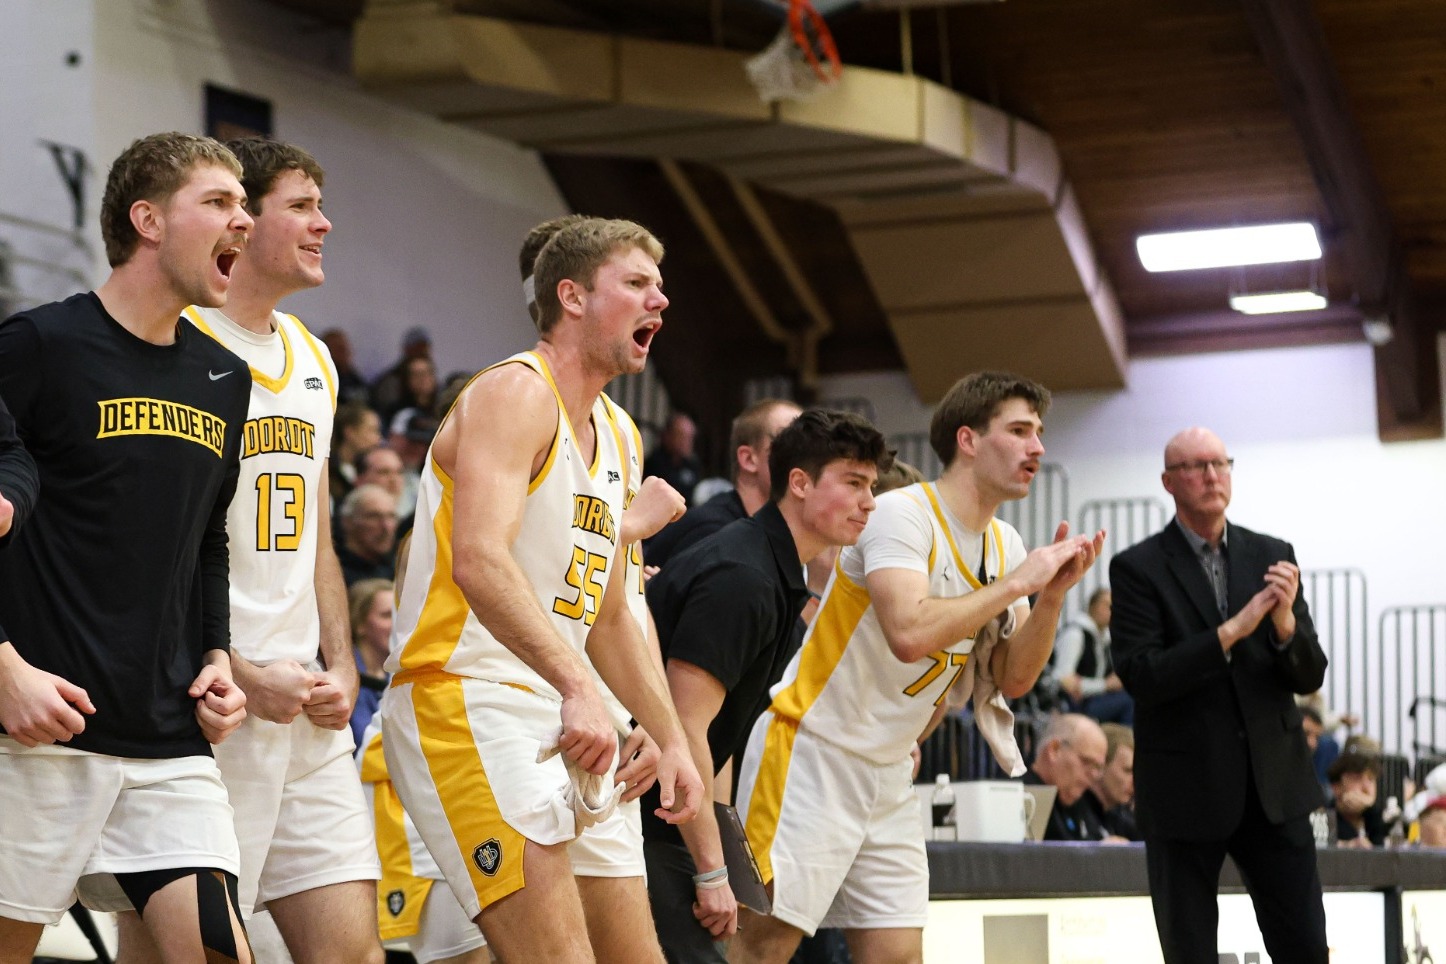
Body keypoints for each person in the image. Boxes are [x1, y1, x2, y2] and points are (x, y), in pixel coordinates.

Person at [380, 217, 703, 962]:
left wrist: (673, 740)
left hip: (563, 710)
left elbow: (614, 615)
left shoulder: (622, 434)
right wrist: (576, 686)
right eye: (636, 283)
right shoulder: (514, 392)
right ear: (573, 296)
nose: (659, 300)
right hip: (466, 694)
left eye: (660, 287)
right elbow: (480, 562)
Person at [731, 371, 1104, 964]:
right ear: (969, 440)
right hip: (814, 751)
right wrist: (1016, 585)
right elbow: (909, 633)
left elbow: (1014, 680)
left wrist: (1052, 597)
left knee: (898, 954)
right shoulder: (904, 514)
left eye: (1039, 432)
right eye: (1019, 430)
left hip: (888, 771)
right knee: (762, 947)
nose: (1037, 447)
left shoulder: (1005, 544)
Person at [117, 136, 382, 964]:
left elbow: (318, 535)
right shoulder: (174, 341)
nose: (323, 224)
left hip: (305, 707)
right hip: (208, 701)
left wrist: (341, 663)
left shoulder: (313, 357)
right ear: (244, 223)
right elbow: (148, 544)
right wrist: (227, 658)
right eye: (300, 206)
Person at [0, 131, 253, 964]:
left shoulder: (223, 376)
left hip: (165, 739)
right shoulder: (37, 346)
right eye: (218, 202)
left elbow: (206, 537)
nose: (242, 222)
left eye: (244, 205)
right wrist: (3, 669)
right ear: (146, 218)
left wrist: (215, 653)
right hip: (35, 731)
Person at [644, 409, 892, 962]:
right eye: (853, 483)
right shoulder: (745, 576)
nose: (869, 501)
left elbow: (719, 735)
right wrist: (710, 866)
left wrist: (721, 861)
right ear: (799, 483)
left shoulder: (777, 571)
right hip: (632, 812)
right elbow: (684, 727)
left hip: (663, 809)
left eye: (872, 486)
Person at [1110, 426, 1328, 964]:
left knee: (1304, 947)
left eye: (1220, 463)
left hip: (1274, 785)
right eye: (1195, 466)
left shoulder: (1272, 553)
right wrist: (1230, 633)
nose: (1211, 475)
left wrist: (1281, 626)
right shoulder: (1137, 568)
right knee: (1190, 952)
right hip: (1185, 785)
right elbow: (1143, 675)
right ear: (1168, 481)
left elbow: (1309, 675)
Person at [645, 398, 801, 569]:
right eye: (790, 442)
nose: (805, 457)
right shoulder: (713, 534)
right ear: (749, 459)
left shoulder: (767, 534)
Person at [1023, 714, 1123, 842]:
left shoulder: (1080, 802)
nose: (1094, 775)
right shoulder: (1023, 799)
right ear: (1054, 750)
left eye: (1098, 767)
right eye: (1086, 762)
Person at [1054, 588, 1132, 724]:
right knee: (1129, 701)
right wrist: (1105, 685)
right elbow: (1062, 680)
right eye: (1107, 605)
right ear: (1092, 606)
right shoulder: (1075, 634)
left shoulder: (1104, 638)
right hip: (1076, 705)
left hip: (1095, 699)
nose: (1112, 610)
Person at [349, 578, 393, 744]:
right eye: (386, 615)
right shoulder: (344, 677)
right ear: (359, 623)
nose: (396, 624)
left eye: (399, 614)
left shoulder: (399, 673)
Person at [1083, 722, 1140, 841]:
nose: (1134, 781)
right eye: (1127, 770)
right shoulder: (1077, 813)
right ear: (1101, 766)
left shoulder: (1120, 818)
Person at [337, 484, 399, 584]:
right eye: (373, 517)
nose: (386, 527)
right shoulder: (334, 574)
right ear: (347, 521)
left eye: (391, 516)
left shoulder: (397, 570)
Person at [1328, 750, 1384, 849]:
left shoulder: (1381, 817)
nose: (1366, 788)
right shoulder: (1325, 817)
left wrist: (1372, 810)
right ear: (1336, 787)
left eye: (1371, 779)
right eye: (1357, 779)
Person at [646, 411, 703, 503]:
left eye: (690, 437)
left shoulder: (692, 465)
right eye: (681, 436)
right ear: (668, 435)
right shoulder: (654, 465)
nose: (686, 442)